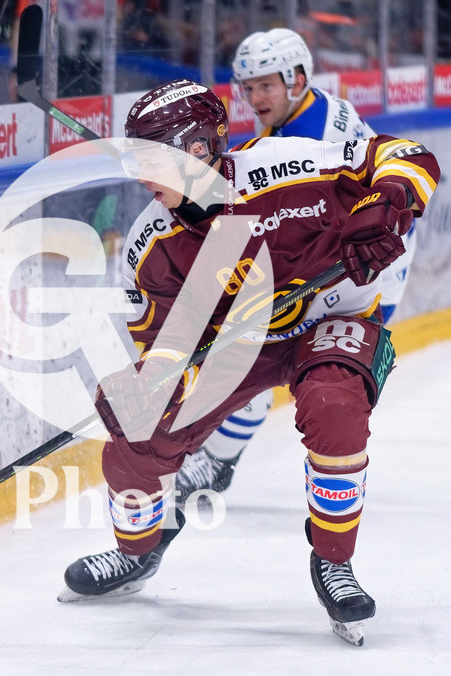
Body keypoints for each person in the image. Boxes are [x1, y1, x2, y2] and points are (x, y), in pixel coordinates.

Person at [60, 80, 439, 646]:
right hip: (237, 349)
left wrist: (388, 202)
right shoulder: (152, 248)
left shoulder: (290, 165)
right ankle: (137, 550)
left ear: (196, 150)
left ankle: (333, 562)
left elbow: (407, 156)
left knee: (334, 404)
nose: (142, 176)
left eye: (153, 157)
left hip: (328, 316)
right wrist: (150, 384)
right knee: (140, 427)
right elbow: (164, 348)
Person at [171, 28, 417, 504]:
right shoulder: (309, 110)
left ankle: (230, 466)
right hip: (361, 260)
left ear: (297, 78)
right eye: (247, 88)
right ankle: (222, 462)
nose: (254, 98)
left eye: (266, 85)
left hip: (360, 274)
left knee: (285, 365)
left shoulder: (312, 136)